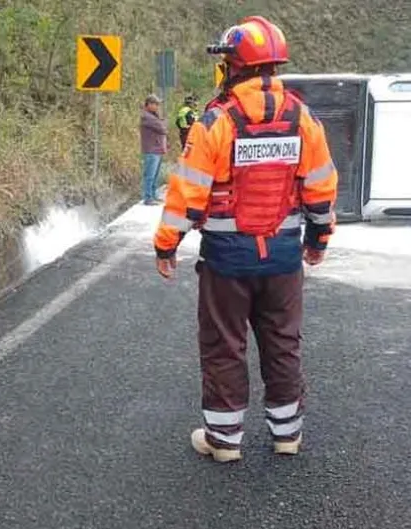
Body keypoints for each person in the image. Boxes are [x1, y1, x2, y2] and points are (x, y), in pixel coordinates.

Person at [153, 16, 339, 463]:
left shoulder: (217, 121)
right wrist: (318, 239)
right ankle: (287, 435)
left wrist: (167, 244)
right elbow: (321, 186)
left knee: (224, 346)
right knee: (282, 342)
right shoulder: (303, 118)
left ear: (235, 65)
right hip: (282, 257)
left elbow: (188, 190)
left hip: (227, 261)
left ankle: (224, 441)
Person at [140, 94, 168, 205]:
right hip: (151, 150)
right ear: (149, 105)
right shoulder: (147, 117)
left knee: (155, 175)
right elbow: (163, 128)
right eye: (155, 104)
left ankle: (153, 195)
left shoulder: (153, 116)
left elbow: (163, 127)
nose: (157, 106)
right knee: (150, 175)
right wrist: (163, 122)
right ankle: (148, 197)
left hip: (157, 149)